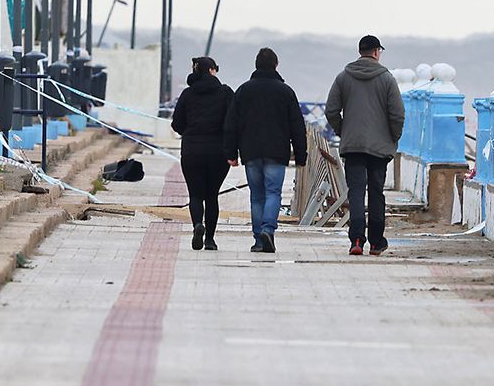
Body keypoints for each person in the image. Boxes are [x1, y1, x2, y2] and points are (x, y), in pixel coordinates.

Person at [325, 34, 405, 256]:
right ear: (377, 52)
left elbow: (331, 110)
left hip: (353, 147)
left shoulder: (343, 77)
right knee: (376, 192)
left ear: (360, 51)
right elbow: (397, 114)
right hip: (379, 148)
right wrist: (393, 137)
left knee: (356, 192)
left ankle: (357, 240)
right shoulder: (387, 79)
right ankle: (377, 242)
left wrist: (343, 131)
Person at [224, 47, 307, 253]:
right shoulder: (286, 92)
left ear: (256, 65)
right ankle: (268, 230)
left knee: (256, 196)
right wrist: (301, 155)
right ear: (276, 66)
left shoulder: (243, 90)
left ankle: (258, 240)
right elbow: (297, 126)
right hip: (276, 152)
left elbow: (231, 124)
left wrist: (231, 153)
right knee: (273, 193)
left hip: (250, 152)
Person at [171, 56, 235, 251]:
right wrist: (233, 149)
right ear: (211, 70)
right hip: (218, 152)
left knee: (196, 195)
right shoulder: (225, 93)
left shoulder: (187, 94)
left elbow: (177, 123)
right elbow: (233, 122)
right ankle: (210, 240)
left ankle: (198, 224)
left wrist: (190, 133)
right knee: (212, 195)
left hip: (192, 151)